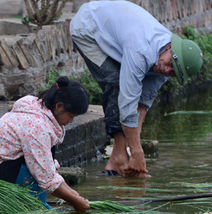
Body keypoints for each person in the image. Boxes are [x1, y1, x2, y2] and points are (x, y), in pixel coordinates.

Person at [70, 1, 203, 177]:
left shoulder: (167, 64)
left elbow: (143, 103)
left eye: (174, 73)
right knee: (115, 83)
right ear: (170, 48)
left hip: (117, 31)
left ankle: (116, 160)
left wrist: (136, 150)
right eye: (171, 64)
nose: (167, 70)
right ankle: (119, 158)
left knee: (128, 91)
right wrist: (137, 151)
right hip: (87, 28)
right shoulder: (140, 50)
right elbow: (127, 105)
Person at [0, 76, 91, 212]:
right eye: (70, 116)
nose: (70, 121)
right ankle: (22, 205)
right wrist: (74, 200)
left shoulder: (39, 109)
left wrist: (74, 194)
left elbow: (48, 167)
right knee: (37, 169)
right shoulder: (37, 127)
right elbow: (46, 177)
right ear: (59, 107)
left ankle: (32, 202)